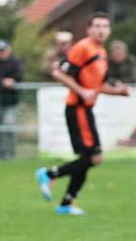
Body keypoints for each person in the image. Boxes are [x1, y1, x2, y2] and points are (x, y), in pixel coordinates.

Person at [35, 13, 130, 215]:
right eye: (97, 26)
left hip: (85, 109)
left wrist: (118, 92)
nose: (101, 30)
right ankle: (49, 174)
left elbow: (98, 85)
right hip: (77, 108)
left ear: (110, 30)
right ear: (89, 29)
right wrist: (81, 91)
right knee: (94, 158)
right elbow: (59, 73)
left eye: (105, 26)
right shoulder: (83, 47)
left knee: (87, 159)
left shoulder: (101, 52)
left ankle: (66, 203)